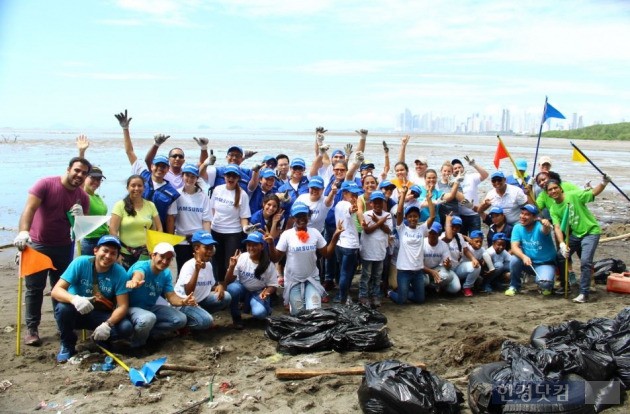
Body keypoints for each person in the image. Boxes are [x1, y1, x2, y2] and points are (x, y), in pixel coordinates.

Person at [14, 157, 91, 346]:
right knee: (34, 288)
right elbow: (29, 209)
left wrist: (80, 218)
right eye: (77, 171)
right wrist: (23, 232)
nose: (79, 175)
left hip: (64, 246)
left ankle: (62, 325)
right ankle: (32, 329)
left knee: (60, 288)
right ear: (68, 169)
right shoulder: (46, 184)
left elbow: (81, 230)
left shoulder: (83, 197)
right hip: (37, 245)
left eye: (83, 173)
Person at [51, 235, 133, 362]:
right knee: (62, 309)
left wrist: (107, 324)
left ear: (117, 257)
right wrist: (75, 299)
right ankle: (67, 345)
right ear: (96, 250)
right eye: (105, 251)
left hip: (101, 314)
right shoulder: (81, 263)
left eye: (113, 253)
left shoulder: (120, 272)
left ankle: (101, 339)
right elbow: (56, 291)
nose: (107, 256)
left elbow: (123, 306)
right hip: (77, 311)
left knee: (126, 327)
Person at [267, 203, 344, 315]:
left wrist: (336, 236)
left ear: (308, 216)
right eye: (298, 216)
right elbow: (275, 258)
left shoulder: (315, 233)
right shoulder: (287, 235)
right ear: (293, 218)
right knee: (298, 313)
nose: (301, 219)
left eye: (304, 215)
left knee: (315, 311)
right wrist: (270, 244)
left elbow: (327, 254)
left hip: (311, 279)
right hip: (293, 281)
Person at [546, 175, 611, 303]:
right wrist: (562, 244)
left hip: (591, 231)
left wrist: (603, 183)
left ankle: (584, 293)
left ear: (560, 189)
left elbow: (593, 193)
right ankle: (565, 286)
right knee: (560, 256)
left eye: (555, 188)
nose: (553, 191)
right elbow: (557, 228)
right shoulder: (553, 208)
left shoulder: (573, 195)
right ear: (547, 193)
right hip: (576, 234)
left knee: (585, 261)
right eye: (550, 190)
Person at [115, 109, 180, 228]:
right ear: (151, 166)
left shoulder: (171, 192)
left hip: (157, 231)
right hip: (135, 227)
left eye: (163, 166)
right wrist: (125, 128)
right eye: (157, 165)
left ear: (167, 169)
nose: (160, 169)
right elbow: (129, 152)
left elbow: (170, 218)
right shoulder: (142, 175)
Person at [126, 243, 194, 347]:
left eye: (168, 259)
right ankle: (137, 345)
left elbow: (171, 297)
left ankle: (147, 333)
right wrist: (135, 281)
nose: (164, 261)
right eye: (161, 257)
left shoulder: (166, 273)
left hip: (150, 307)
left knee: (180, 319)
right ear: (153, 255)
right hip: (130, 307)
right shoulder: (141, 265)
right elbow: (138, 274)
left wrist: (183, 301)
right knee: (149, 318)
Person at [174, 231, 231, 331]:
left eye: (211, 247)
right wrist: (197, 270)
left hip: (199, 301)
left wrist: (219, 286)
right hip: (184, 304)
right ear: (196, 248)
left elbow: (210, 285)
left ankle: (200, 315)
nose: (210, 251)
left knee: (226, 296)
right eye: (206, 248)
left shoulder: (208, 265)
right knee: (206, 322)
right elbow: (188, 292)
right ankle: (183, 325)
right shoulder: (189, 266)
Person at [388, 186, 435, 305]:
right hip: (404, 270)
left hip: (418, 271)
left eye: (415, 216)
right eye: (410, 216)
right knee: (401, 301)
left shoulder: (422, 229)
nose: (413, 218)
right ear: (406, 218)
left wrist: (429, 199)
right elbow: (399, 212)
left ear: (418, 217)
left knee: (420, 300)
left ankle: (404, 292)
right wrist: (403, 195)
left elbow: (432, 217)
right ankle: (390, 293)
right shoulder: (402, 229)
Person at [225, 232, 279, 329]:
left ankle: (261, 306)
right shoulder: (241, 257)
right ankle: (236, 317)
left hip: (258, 292)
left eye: (255, 245)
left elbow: (273, 285)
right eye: (249, 245)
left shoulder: (268, 264)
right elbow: (228, 281)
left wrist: (266, 292)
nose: (251, 248)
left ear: (262, 246)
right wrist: (232, 267)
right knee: (232, 289)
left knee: (260, 313)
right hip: (242, 288)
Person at [166, 164, 212, 274]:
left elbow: (206, 221)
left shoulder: (203, 196)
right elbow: (171, 218)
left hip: (198, 240)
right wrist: (170, 240)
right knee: (183, 271)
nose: (190, 179)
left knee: (199, 270)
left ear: (197, 178)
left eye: (193, 176)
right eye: (187, 175)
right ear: (182, 176)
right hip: (181, 240)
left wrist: (208, 241)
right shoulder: (176, 194)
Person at [209, 164, 252, 282]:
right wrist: (208, 229)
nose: (231, 178)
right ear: (224, 176)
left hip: (233, 234)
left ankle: (229, 288)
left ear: (238, 178)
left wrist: (246, 228)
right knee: (216, 263)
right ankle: (217, 286)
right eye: (228, 175)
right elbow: (212, 210)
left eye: (234, 176)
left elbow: (244, 217)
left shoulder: (242, 194)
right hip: (215, 231)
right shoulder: (217, 189)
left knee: (230, 264)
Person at [109, 175, 162, 269]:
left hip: (145, 253)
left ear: (144, 188)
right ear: (127, 188)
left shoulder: (150, 205)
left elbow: (159, 228)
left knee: (142, 280)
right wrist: (116, 252)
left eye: (139, 185)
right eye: (133, 185)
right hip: (124, 252)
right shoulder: (120, 205)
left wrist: (154, 248)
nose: (136, 188)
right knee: (126, 281)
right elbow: (113, 230)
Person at [504, 205, 557, 297]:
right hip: (528, 262)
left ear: (534, 217)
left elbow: (545, 230)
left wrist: (546, 225)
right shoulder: (517, 227)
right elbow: (514, 247)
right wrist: (523, 256)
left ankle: (545, 281)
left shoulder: (540, 226)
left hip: (544, 263)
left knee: (545, 284)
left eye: (527, 214)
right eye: (522, 213)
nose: (523, 217)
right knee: (514, 259)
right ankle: (514, 286)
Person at [76, 135, 110, 255]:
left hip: (103, 239)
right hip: (89, 240)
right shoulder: (82, 194)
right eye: (93, 178)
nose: (96, 182)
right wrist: (81, 152)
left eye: (99, 179)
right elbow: (79, 173)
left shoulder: (98, 198)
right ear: (85, 177)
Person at [359, 191, 393, 306]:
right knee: (366, 275)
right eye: (375, 202)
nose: (378, 204)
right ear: (371, 203)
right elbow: (367, 231)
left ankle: (375, 295)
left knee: (377, 275)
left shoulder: (387, 215)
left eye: (380, 202)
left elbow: (388, 230)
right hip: (368, 251)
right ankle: (363, 295)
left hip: (380, 251)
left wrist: (379, 221)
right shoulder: (366, 214)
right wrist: (380, 222)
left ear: (383, 203)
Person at [334, 181, 363, 304]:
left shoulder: (338, 204)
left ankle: (342, 296)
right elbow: (350, 210)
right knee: (347, 272)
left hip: (340, 243)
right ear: (345, 193)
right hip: (349, 245)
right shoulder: (346, 205)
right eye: (352, 194)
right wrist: (353, 208)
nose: (355, 197)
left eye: (356, 194)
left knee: (343, 271)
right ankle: (343, 298)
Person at [451, 156, 489, 235]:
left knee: (475, 239)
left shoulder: (471, 177)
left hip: (474, 215)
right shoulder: (452, 182)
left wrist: (474, 165)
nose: (458, 169)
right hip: (460, 216)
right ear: (452, 172)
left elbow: (485, 175)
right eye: (455, 168)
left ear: (463, 168)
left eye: (459, 167)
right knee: (462, 240)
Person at [422, 222, 461, 295]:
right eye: (431, 233)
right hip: (422, 269)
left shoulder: (443, 245)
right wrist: (431, 272)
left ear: (439, 234)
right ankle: (424, 288)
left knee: (451, 281)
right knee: (424, 281)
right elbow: (417, 265)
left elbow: (448, 265)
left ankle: (432, 287)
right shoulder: (422, 243)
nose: (432, 235)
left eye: (435, 233)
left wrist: (447, 265)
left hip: (436, 268)